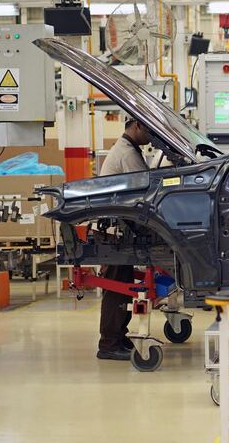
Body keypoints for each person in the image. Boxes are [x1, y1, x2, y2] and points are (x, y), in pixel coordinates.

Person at [96, 118, 150, 360]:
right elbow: (147, 189)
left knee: (122, 284)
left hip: (117, 230)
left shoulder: (127, 149)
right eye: (148, 130)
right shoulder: (127, 153)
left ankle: (118, 337)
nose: (150, 137)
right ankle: (108, 344)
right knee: (117, 288)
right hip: (114, 232)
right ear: (136, 125)